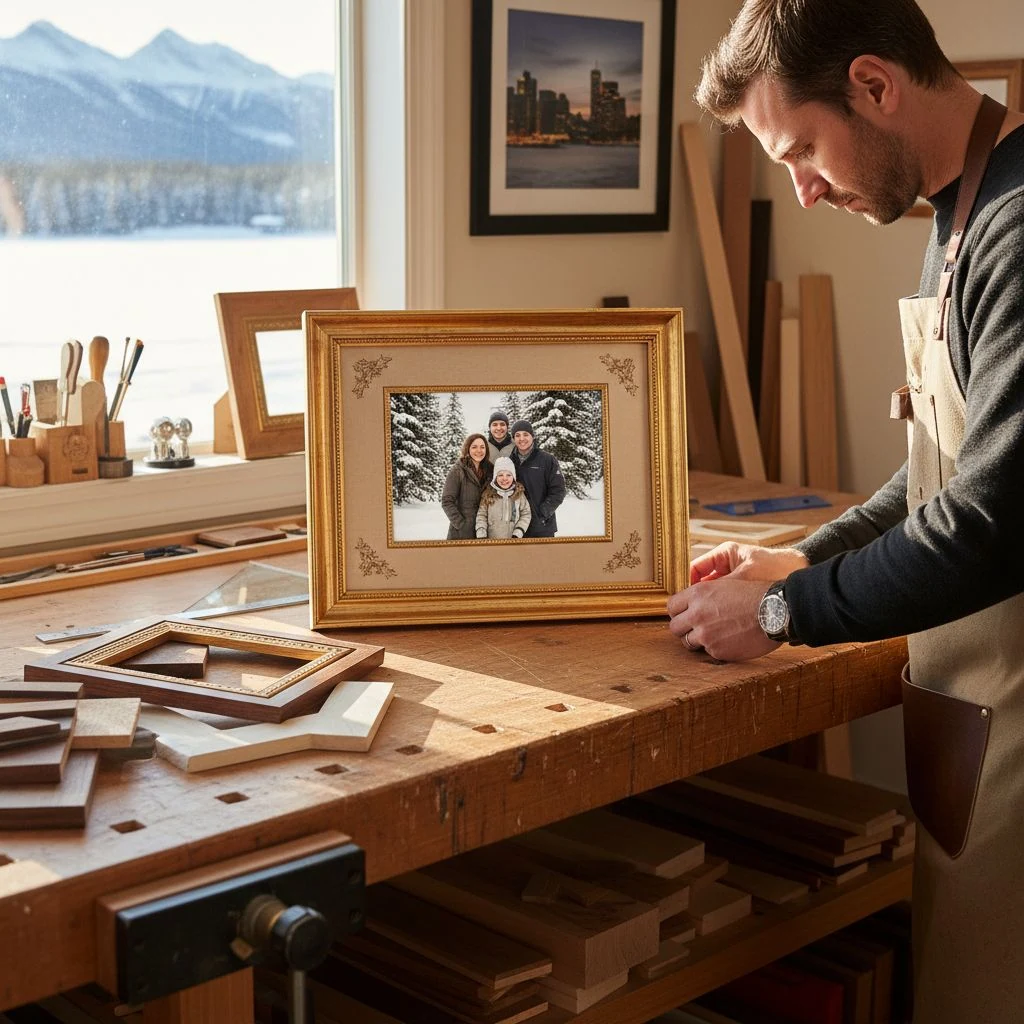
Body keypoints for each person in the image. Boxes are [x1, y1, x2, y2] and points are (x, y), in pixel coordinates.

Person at [669, 2, 1024, 1020]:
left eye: (802, 150)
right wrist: (800, 560)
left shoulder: (1016, 228)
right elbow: (933, 478)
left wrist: (784, 612)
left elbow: (993, 519)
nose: (805, 189)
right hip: (981, 725)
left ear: (874, 84)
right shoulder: (959, 209)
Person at [509, 419, 566, 538]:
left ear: (533, 436)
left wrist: (543, 512)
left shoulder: (547, 460)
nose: (521, 438)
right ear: (513, 439)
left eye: (525, 434)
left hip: (542, 527)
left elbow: (558, 490)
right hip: (517, 527)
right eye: (517, 435)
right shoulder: (509, 461)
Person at [440, 433, 492, 540]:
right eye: (474, 447)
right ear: (467, 449)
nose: (479, 450)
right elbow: (447, 501)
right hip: (462, 533)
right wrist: (461, 524)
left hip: (484, 531)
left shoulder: (490, 470)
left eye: (482, 447)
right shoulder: (458, 470)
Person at [476, 457, 532, 539]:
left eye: (508, 475)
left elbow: (526, 514)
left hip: (513, 541)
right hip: (492, 540)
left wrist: (518, 532)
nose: (504, 478)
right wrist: (481, 533)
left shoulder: (519, 494)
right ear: (495, 477)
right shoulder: (488, 494)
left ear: (513, 477)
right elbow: (481, 515)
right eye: (500, 475)